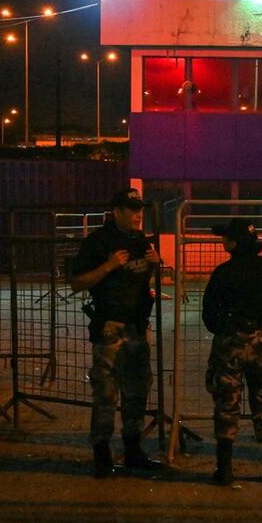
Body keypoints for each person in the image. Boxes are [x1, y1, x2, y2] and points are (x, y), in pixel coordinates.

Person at [69, 188, 162, 478]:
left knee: (136, 393)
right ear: (116, 211)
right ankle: (102, 454)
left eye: (140, 209)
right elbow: (76, 283)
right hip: (110, 327)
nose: (138, 214)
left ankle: (133, 450)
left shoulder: (139, 241)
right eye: (132, 209)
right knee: (106, 394)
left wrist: (155, 267)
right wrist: (108, 266)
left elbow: (141, 279)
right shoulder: (98, 242)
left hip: (136, 327)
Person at [202, 218, 262, 484]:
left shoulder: (224, 272)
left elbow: (209, 314)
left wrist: (227, 329)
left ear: (234, 243)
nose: (224, 242)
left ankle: (224, 469)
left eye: (227, 238)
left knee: (227, 404)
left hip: (231, 343)